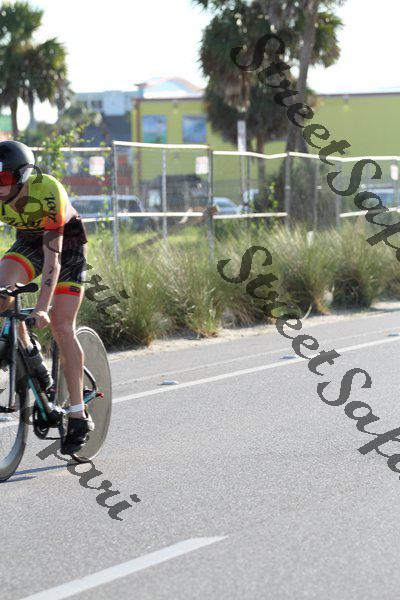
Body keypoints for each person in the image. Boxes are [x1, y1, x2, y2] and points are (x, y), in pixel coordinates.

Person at [0, 140, 93, 454]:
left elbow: (53, 258)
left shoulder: (47, 190)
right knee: (2, 293)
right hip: (28, 242)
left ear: (23, 176)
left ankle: (78, 414)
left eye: (4, 179)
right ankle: (30, 356)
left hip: (66, 247)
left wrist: (42, 308)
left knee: (61, 325)